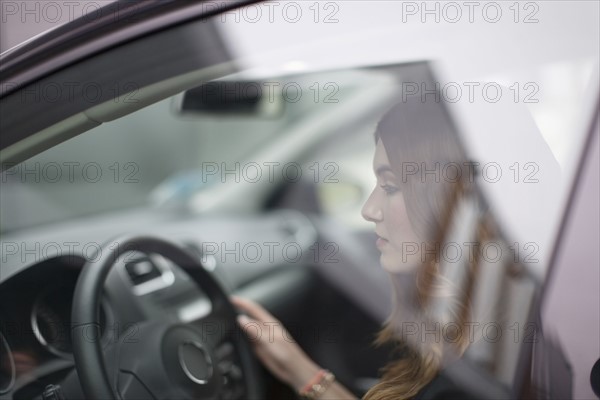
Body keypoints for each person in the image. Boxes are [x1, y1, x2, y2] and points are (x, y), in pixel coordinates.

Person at [231, 96, 483, 399]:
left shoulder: (475, 369)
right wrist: (300, 371)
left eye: (390, 187)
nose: (369, 209)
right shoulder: (473, 331)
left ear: (448, 201)